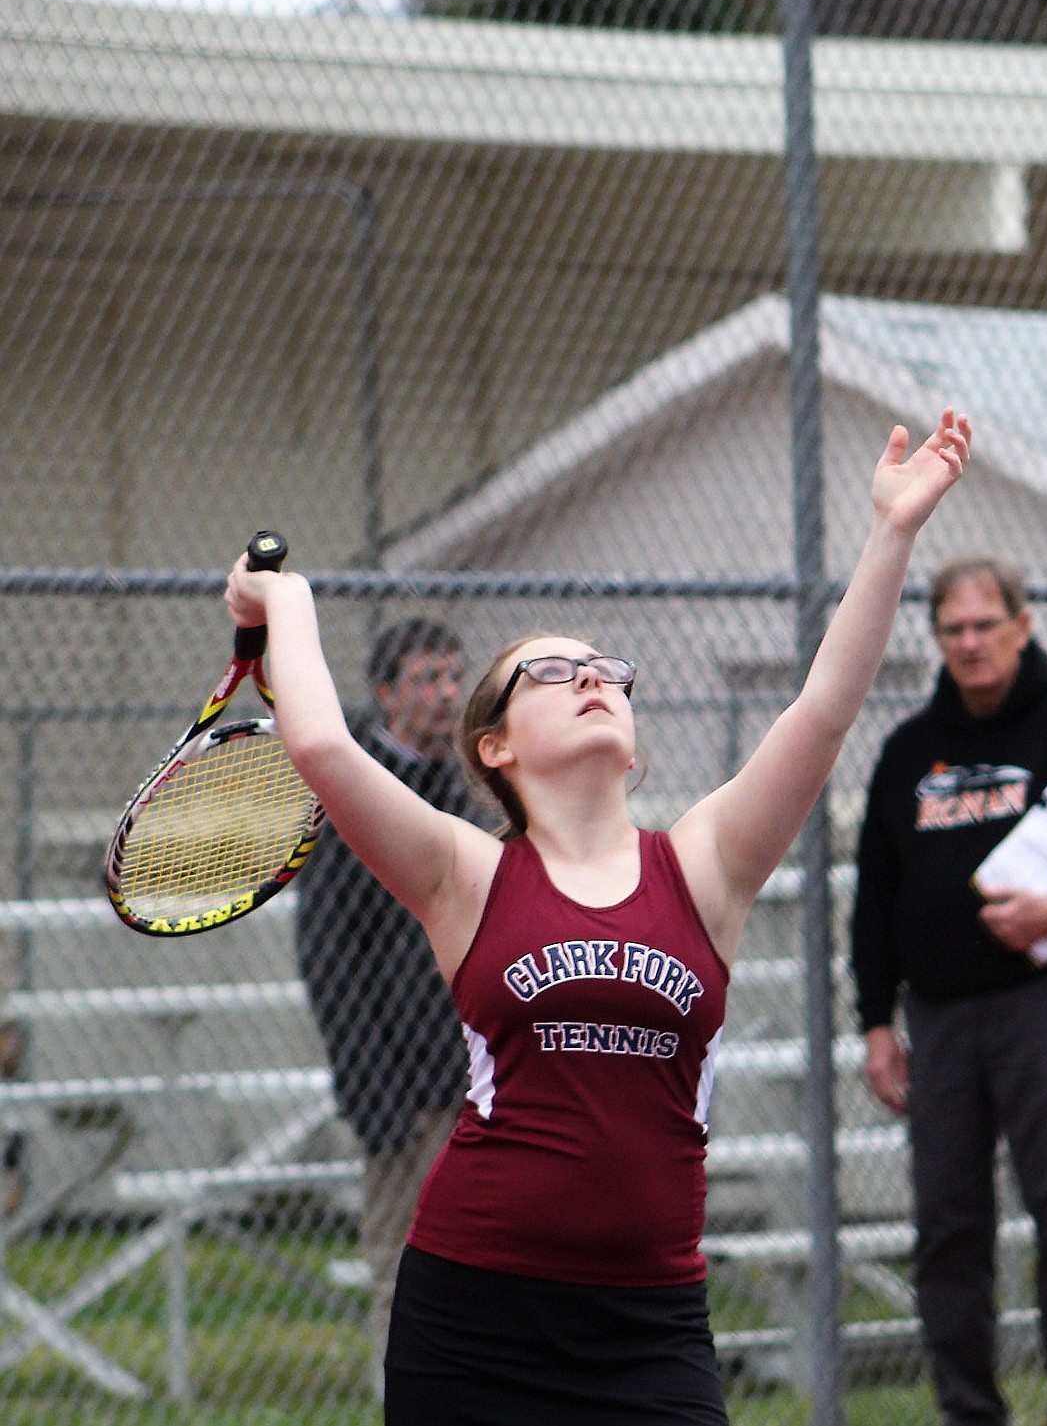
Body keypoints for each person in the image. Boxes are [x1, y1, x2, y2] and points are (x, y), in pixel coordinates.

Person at [227, 408, 970, 1426]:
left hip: (649, 1320)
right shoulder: (466, 872)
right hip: (474, 1303)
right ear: (491, 746)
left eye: (607, 672)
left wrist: (891, 533)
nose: (589, 678)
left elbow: (823, 709)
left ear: (629, 736)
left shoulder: (706, 864)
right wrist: (287, 597)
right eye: (548, 670)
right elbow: (319, 748)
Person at [851, 555, 1047, 1426]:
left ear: (1021, 626)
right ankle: (967, 1410)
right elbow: (873, 898)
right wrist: (876, 1022)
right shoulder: (909, 752)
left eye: (983, 624)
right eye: (951, 629)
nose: (968, 643)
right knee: (948, 1228)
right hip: (941, 1018)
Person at [294, 616, 493, 1399]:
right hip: (397, 1087)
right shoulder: (357, 790)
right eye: (426, 679)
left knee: (481, 1266)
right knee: (402, 1268)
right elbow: (330, 954)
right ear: (384, 694)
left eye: (454, 676)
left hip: (468, 1078)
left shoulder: (464, 787)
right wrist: (371, 1093)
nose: (447, 694)